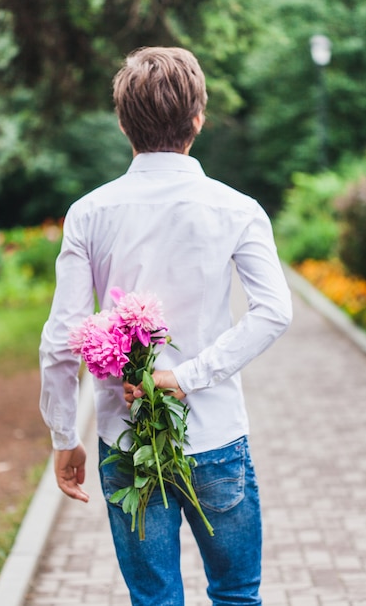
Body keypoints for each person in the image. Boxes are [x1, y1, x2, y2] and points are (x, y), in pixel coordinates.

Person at [39, 46, 292, 606]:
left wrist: (64, 436)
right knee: (235, 596)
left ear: (124, 123)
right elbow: (275, 309)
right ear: (198, 119)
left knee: (153, 602)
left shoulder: (89, 212)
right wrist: (192, 374)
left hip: (123, 439)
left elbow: (61, 340)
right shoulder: (237, 208)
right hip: (216, 435)